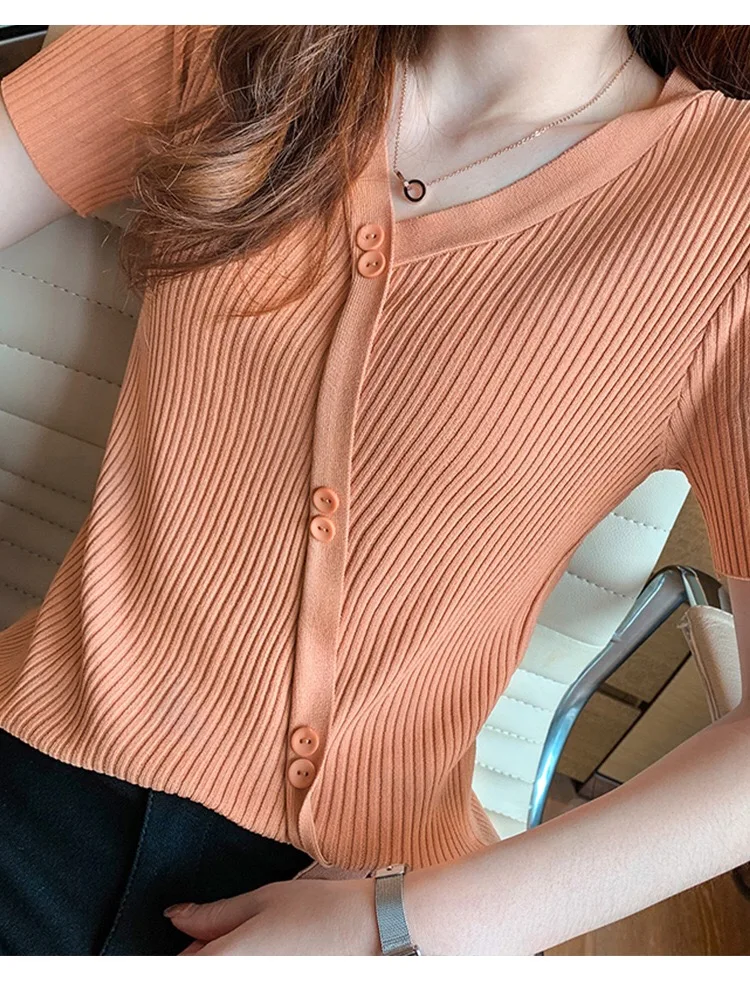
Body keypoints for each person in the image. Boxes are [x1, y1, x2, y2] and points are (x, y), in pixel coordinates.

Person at [0, 24, 749, 957]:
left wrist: (396, 930)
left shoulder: (729, 214)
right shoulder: (225, 37)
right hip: (44, 778)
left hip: (375, 894)